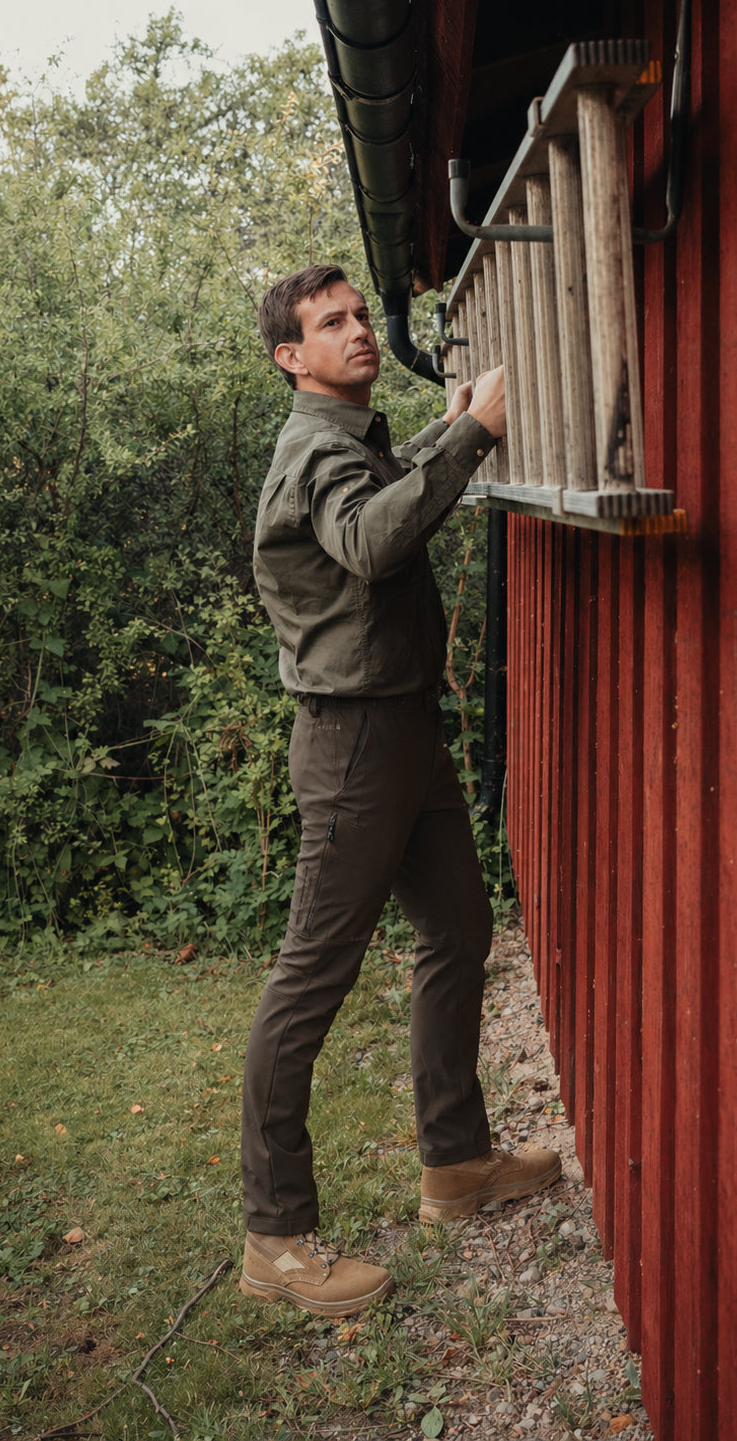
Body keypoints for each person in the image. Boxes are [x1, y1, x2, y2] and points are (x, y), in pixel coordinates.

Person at [239, 264, 560, 1318]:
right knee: (308, 981)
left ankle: (455, 1162)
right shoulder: (313, 450)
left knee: (458, 929)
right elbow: (371, 540)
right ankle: (274, 1238)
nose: (358, 330)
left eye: (358, 314)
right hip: (355, 746)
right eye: (330, 322)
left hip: (402, 730)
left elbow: (379, 489)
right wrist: (472, 437)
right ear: (291, 356)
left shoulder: (348, 440)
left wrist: (447, 426)